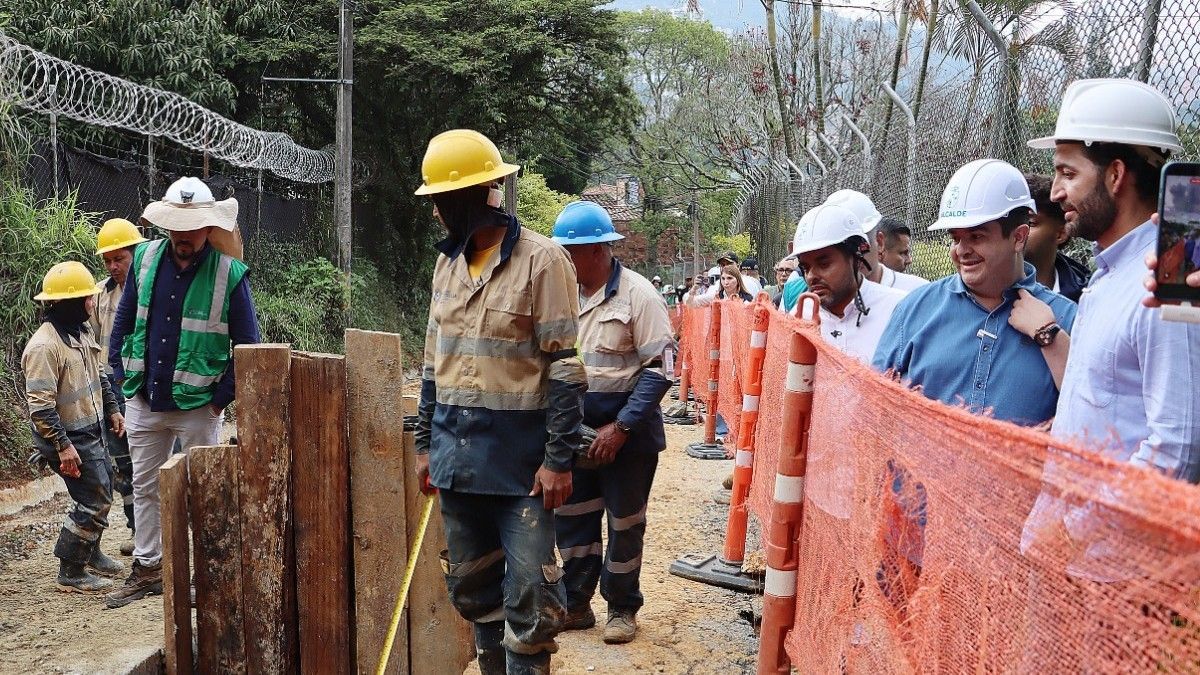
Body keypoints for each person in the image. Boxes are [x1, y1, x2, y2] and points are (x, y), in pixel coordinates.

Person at [413, 129, 586, 675]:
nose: (437, 215)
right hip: (458, 463)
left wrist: (559, 461)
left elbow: (564, 366)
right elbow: (432, 365)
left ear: (462, 199)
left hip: (522, 470)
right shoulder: (446, 266)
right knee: (472, 587)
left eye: (440, 202)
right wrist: (425, 446)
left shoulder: (544, 262)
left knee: (533, 595)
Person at [1024, 78, 1200, 482]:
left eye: (1068, 173)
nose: (1055, 192)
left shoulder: (1169, 280)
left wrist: (1084, 525)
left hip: (1103, 541)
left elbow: (1177, 448)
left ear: (1115, 175)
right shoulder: (1108, 274)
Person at [105, 177, 261, 609]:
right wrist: (120, 375)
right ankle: (148, 567)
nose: (184, 236)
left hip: (198, 406)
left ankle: (205, 577)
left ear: (209, 229)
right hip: (144, 398)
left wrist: (219, 398)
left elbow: (248, 346)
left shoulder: (229, 275)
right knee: (145, 484)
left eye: (193, 228)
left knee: (204, 489)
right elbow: (124, 321)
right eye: (177, 226)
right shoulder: (146, 260)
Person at [550, 201, 674, 645]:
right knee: (574, 520)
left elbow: (661, 369)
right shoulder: (560, 296)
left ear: (598, 250)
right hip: (576, 432)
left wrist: (620, 428)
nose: (563, 260)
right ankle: (577, 603)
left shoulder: (640, 296)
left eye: (571, 252)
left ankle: (622, 606)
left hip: (628, 435)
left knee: (625, 523)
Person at [873, 159, 1078, 425]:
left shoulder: (1067, 320)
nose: (962, 250)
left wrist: (1049, 336)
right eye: (956, 238)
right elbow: (873, 410)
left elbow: (1091, 423)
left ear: (1018, 237)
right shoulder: (915, 310)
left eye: (977, 237)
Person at [22, 262, 126, 593]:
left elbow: (100, 373)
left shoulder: (80, 332)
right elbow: (40, 406)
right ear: (69, 303)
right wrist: (63, 447)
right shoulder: (44, 347)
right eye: (87, 299)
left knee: (104, 487)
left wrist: (113, 409)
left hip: (91, 429)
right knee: (93, 499)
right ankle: (71, 568)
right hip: (68, 438)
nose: (92, 303)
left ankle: (90, 551)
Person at [90, 218, 147, 556]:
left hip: (147, 385)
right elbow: (93, 345)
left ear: (135, 254)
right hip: (113, 386)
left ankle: (162, 533)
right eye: (107, 260)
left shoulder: (151, 287)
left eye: (119, 259)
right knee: (124, 465)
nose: (113, 266)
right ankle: (139, 533)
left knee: (155, 462)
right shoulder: (98, 295)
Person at [792, 203, 906, 363]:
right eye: (805, 267)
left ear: (855, 258)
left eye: (824, 264)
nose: (811, 276)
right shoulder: (799, 317)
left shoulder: (898, 311)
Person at [825, 189, 929, 292]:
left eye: (857, 244)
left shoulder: (918, 292)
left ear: (879, 242)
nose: (852, 256)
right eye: (839, 249)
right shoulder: (820, 301)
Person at [1022, 173, 1091, 302]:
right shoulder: (980, 289)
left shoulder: (1085, 297)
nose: (1016, 231)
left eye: (1030, 223)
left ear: (1061, 233)